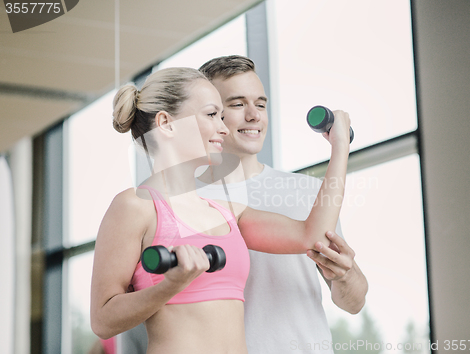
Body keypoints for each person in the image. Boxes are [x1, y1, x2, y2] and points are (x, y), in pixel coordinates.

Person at [90, 66, 353, 354]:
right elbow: (103, 320)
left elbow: (311, 236)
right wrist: (169, 287)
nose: (224, 128)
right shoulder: (135, 206)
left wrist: (339, 149)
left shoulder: (227, 211)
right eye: (212, 114)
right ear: (166, 123)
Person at [195, 55, 369, 353]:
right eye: (237, 104)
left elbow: (352, 303)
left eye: (260, 104)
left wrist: (346, 274)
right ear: (210, 114)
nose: (254, 115)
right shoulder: (187, 201)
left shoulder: (308, 192)